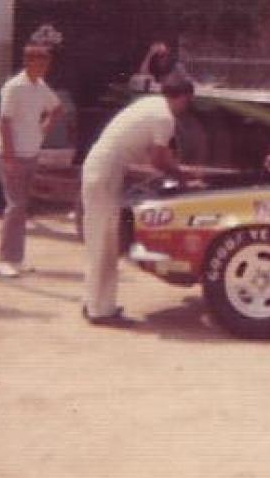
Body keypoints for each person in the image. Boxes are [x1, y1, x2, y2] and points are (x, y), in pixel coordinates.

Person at [80, 75, 199, 326]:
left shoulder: (149, 104)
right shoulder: (165, 117)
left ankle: (93, 302)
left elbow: (152, 153)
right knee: (105, 242)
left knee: (99, 239)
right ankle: (100, 311)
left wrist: (175, 169)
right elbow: (158, 159)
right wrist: (184, 176)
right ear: (184, 97)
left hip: (100, 167)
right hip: (105, 172)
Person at [0, 42, 64, 277]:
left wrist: (43, 128)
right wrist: (9, 157)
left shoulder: (41, 86)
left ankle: (17, 259)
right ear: (27, 62)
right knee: (15, 206)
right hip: (13, 155)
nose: (44, 68)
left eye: (46, 64)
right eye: (39, 63)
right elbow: (4, 122)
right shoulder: (13, 87)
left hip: (31, 153)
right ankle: (4, 260)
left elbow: (57, 109)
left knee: (22, 207)